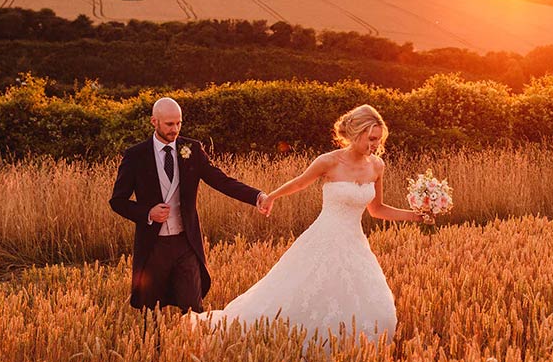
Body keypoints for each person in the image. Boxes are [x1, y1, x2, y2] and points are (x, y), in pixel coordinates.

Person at [188, 104, 425, 344]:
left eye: (378, 140)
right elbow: (300, 183)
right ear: (357, 133)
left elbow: (377, 210)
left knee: (377, 307)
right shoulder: (329, 161)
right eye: (371, 138)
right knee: (302, 296)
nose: (375, 145)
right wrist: (270, 197)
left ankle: (354, 350)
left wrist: (416, 215)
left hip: (355, 245)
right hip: (323, 239)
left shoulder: (377, 166)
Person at [109, 97, 268, 314]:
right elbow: (117, 201)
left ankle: (193, 347)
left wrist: (256, 196)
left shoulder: (191, 148)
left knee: (194, 308)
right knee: (151, 311)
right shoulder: (135, 155)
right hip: (153, 245)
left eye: (179, 123)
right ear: (154, 122)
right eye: (169, 124)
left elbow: (220, 180)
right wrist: (147, 212)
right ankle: (154, 348)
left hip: (186, 243)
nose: (175, 129)